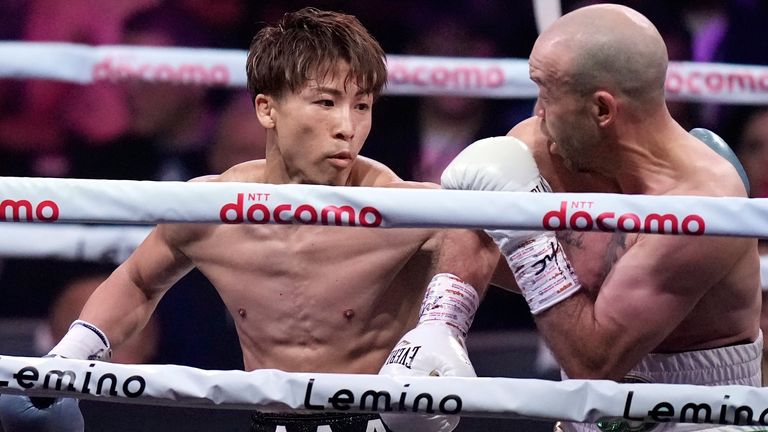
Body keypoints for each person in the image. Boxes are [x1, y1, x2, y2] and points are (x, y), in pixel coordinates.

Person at [0, 7, 499, 432]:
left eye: (362, 105)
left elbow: (522, 273)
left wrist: (450, 317)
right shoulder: (213, 207)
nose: (347, 126)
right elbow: (136, 280)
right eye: (326, 102)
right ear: (267, 109)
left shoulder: (413, 211)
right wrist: (66, 360)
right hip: (269, 420)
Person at [442, 4, 761, 431]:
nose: (536, 111)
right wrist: (441, 325)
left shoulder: (701, 202)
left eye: (547, 93)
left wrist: (526, 238)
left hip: (700, 412)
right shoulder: (547, 145)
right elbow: (470, 228)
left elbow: (594, 363)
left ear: (602, 111)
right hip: (583, 418)